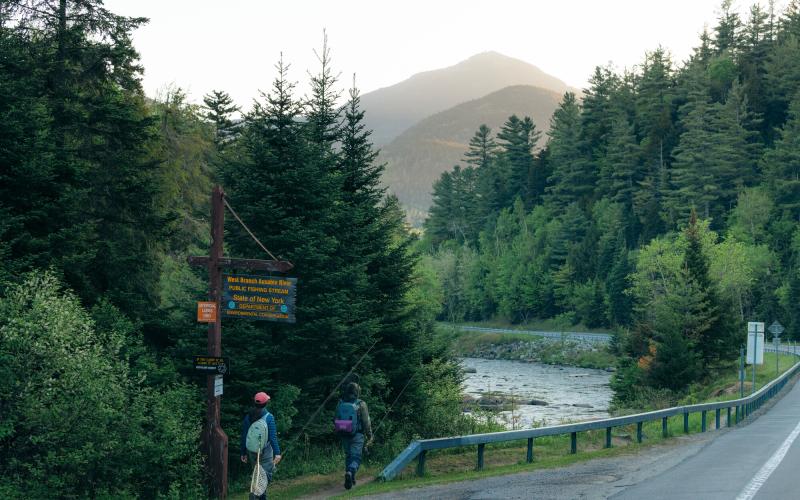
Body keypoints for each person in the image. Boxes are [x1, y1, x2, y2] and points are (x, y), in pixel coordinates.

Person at [240, 392, 282, 500]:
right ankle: (254, 496)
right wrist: (277, 453)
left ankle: (260, 496)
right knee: (265, 475)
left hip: (252, 450)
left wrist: (243, 452)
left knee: (257, 474)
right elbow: (272, 437)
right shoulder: (269, 417)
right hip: (266, 451)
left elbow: (244, 435)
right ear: (266, 403)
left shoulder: (248, 416)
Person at [336, 382, 372, 490]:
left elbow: (335, 418)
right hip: (357, 435)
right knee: (356, 457)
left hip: (343, 433)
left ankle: (350, 477)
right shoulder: (361, 404)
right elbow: (366, 422)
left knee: (348, 455)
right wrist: (369, 435)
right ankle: (350, 472)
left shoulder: (340, 403)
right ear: (357, 392)